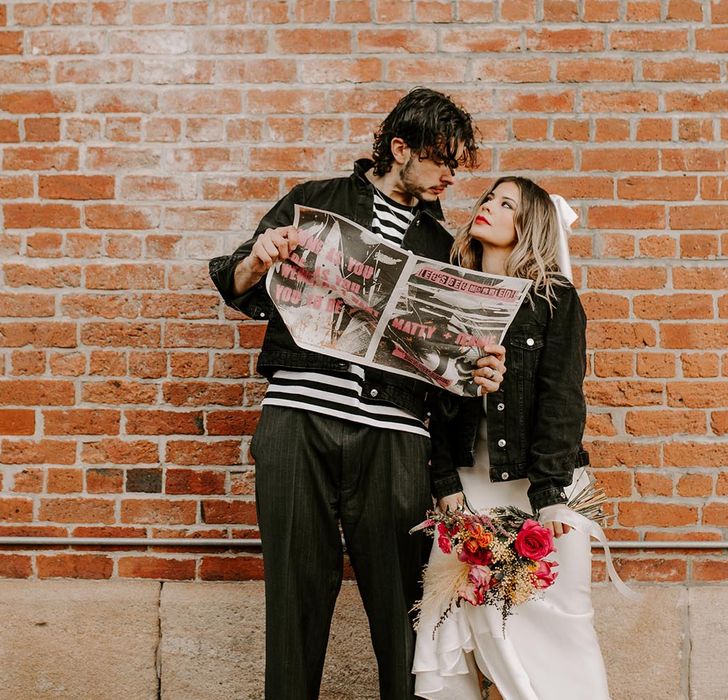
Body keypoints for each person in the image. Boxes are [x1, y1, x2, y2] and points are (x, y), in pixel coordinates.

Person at [208, 88, 506, 700]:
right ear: (400, 149)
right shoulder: (315, 202)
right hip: (299, 420)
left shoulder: (442, 244)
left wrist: (477, 371)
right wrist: (258, 258)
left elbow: (447, 368)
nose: (451, 176)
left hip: (397, 438)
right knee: (295, 597)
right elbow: (238, 283)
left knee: (403, 604)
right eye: (440, 161)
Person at [413, 176, 611, 699]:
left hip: (543, 485)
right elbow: (429, 402)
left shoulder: (555, 299)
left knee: (561, 628)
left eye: (507, 204)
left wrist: (548, 496)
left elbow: (562, 400)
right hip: (467, 487)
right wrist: (444, 484)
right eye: (488, 198)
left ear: (530, 226)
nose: (489, 208)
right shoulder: (446, 297)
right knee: (452, 624)